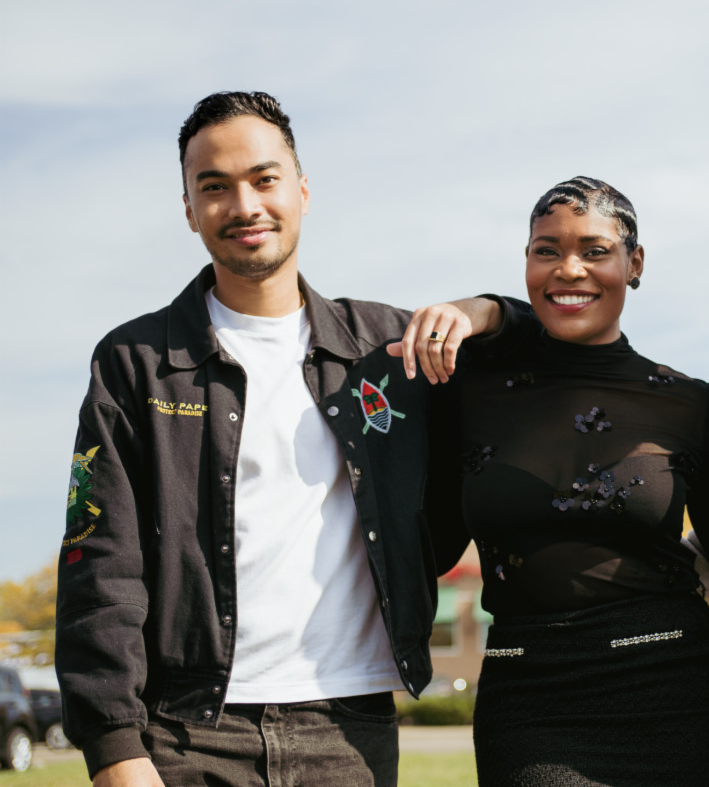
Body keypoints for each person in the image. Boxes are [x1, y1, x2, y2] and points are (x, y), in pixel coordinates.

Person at [54, 91, 492, 787]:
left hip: (350, 731)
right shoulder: (135, 362)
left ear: (303, 189)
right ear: (190, 210)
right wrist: (114, 749)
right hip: (185, 735)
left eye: (264, 179)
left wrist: (484, 309)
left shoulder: (388, 348)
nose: (245, 205)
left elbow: (544, 338)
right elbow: (100, 565)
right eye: (215, 187)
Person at [404, 176, 709, 786]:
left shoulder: (688, 403)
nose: (568, 269)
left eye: (595, 251)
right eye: (546, 250)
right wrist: (487, 309)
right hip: (530, 700)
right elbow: (428, 544)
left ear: (635, 264)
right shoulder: (464, 391)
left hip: (682, 691)